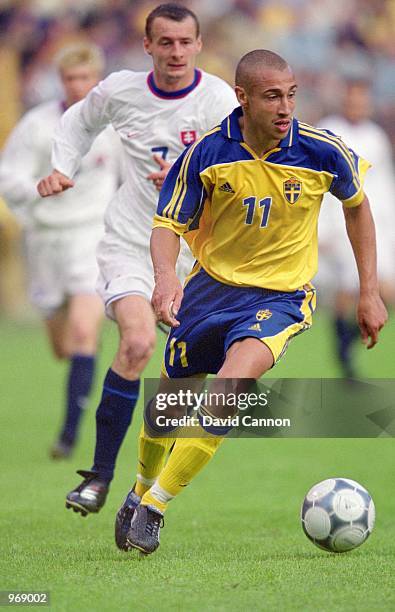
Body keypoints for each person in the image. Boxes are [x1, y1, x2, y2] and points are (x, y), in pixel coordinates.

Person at [117, 49, 387, 555]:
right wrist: (164, 280)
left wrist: (368, 291)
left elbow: (358, 208)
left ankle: (155, 507)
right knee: (170, 407)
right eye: (271, 97)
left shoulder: (322, 150)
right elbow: (167, 225)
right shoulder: (207, 155)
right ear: (242, 98)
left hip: (281, 296)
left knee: (231, 385)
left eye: (290, 95)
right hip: (208, 290)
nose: (285, 107)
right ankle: (137, 491)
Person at [37, 4, 237, 514]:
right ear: (147, 45)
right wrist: (62, 167)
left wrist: (192, 182)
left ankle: (146, 487)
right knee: (137, 342)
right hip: (131, 240)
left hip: (195, 253)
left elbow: (242, 169)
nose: (174, 52)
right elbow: (79, 120)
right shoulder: (121, 90)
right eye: (164, 42)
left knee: (187, 374)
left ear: (198, 45)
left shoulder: (217, 100)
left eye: (183, 42)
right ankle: (99, 477)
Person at [0, 42, 121, 459]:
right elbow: (8, 175)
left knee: (85, 333)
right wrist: (37, 187)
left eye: (86, 78)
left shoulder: (115, 125)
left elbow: (135, 174)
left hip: (92, 236)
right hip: (46, 241)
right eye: (71, 79)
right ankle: (81, 365)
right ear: (60, 81)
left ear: (98, 79)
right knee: (62, 347)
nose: (79, 86)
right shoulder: (37, 125)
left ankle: (68, 436)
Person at [315, 78, 395, 378]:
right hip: (342, 223)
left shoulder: (376, 136)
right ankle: (345, 352)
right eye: (353, 99)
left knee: (385, 290)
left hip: (378, 224)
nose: (358, 105)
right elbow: (318, 185)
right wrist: (322, 228)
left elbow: (384, 182)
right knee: (350, 289)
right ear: (344, 100)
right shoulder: (329, 131)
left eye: (363, 100)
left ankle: (345, 345)